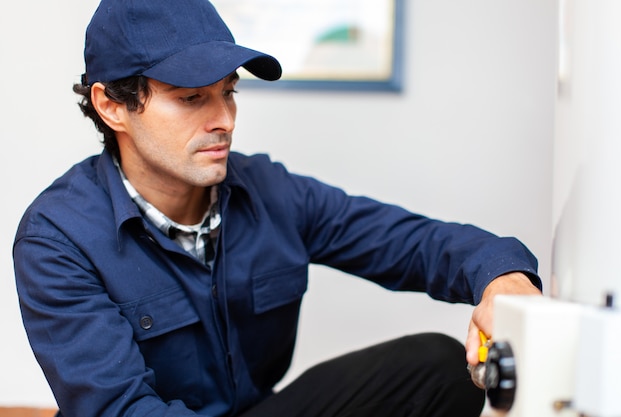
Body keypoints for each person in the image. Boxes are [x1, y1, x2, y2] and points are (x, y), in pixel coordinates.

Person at [13, 0, 542, 416]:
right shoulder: (57, 238)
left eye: (228, 92)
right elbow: (121, 409)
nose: (224, 119)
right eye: (192, 98)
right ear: (112, 106)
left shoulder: (269, 191)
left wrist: (503, 278)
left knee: (435, 365)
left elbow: (415, 243)